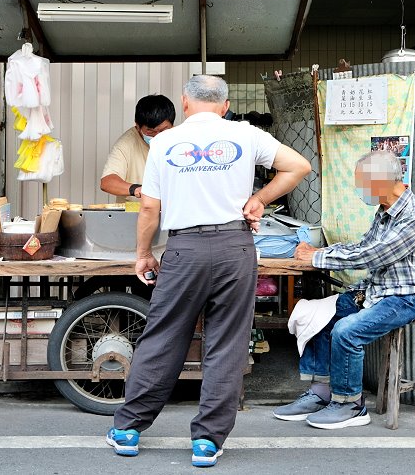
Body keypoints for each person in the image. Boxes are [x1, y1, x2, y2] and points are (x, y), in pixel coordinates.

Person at [105, 75, 311, 467]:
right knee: (227, 344)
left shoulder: (165, 142)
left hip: (185, 249)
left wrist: (143, 253)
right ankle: (207, 441)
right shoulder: (246, 134)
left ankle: (129, 429)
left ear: (184, 103)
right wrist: (259, 199)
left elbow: (150, 207)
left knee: (163, 337)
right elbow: (298, 166)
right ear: (224, 103)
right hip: (236, 248)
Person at [273, 149, 415, 429]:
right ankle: (322, 393)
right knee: (322, 313)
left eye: (363, 183)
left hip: (411, 297)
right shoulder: (385, 211)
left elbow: (373, 255)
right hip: (382, 290)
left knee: (347, 331)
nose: (360, 190)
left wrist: (317, 257)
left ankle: (350, 404)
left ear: (382, 182)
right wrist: (322, 251)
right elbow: (363, 246)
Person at [99, 94, 176, 202]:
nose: (158, 136)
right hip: (135, 215)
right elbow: (107, 182)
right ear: (137, 126)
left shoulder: (182, 142)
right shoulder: (125, 144)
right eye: (151, 131)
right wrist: (137, 189)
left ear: (172, 125)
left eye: (163, 130)